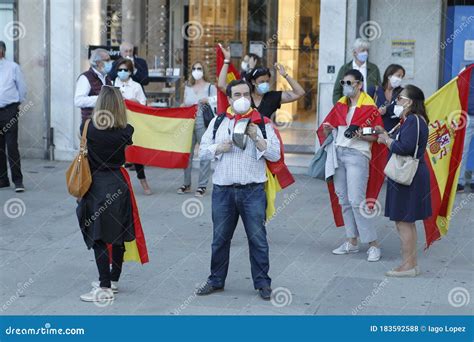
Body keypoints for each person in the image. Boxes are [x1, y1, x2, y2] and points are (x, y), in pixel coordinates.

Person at [196, 79, 281, 300]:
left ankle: (263, 283)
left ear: (251, 97)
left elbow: (275, 155)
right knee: (220, 239)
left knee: (258, 238)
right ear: (230, 98)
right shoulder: (219, 121)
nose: (242, 99)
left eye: (246, 94)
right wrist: (218, 147)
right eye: (237, 95)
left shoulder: (262, 122)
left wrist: (257, 137)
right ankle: (216, 280)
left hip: (252, 191)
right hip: (223, 190)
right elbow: (202, 152)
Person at [77, 86, 143, 302]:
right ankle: (113, 281)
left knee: (99, 237)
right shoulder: (126, 130)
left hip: (96, 185)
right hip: (118, 184)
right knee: (118, 235)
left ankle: (104, 287)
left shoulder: (88, 127)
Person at [321, 69, 384, 262]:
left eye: (349, 83)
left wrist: (361, 135)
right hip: (338, 154)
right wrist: (326, 130)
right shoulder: (341, 105)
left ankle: (373, 244)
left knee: (357, 200)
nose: (345, 87)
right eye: (343, 83)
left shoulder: (369, 107)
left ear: (359, 84)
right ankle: (352, 241)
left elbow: (377, 134)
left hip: (358, 155)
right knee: (344, 200)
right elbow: (327, 133)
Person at [377, 85, 432, 277]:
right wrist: (385, 135)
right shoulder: (410, 120)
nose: (396, 102)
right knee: (406, 221)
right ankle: (411, 264)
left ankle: (407, 266)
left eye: (400, 98)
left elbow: (404, 147)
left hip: (409, 175)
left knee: (403, 221)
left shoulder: (414, 120)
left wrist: (386, 140)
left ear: (410, 102)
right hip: (409, 175)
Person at [218, 45, 305, 120]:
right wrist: (226, 61)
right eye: (261, 81)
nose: (265, 84)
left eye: (267, 81)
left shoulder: (272, 97)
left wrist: (285, 75)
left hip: (265, 137)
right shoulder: (244, 94)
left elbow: (299, 93)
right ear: (253, 82)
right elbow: (221, 85)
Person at [177, 61, 216, 197]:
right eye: (194, 68)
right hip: (188, 121)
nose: (196, 70)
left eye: (199, 68)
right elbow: (184, 102)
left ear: (204, 70)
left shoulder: (210, 87)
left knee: (204, 152)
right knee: (187, 153)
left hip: (203, 120)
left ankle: (202, 185)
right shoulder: (187, 87)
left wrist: (209, 100)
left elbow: (218, 102)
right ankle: (186, 183)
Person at [113, 58, 151, 195]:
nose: (122, 72)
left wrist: (134, 102)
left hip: (133, 124)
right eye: (120, 70)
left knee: (136, 154)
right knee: (117, 155)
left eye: (125, 70)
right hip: (116, 124)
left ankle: (143, 182)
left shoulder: (136, 86)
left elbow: (143, 103)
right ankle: (118, 185)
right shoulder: (112, 84)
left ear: (130, 71)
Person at [0, 40, 26, 193]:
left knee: (12, 146)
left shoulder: (13, 67)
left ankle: (18, 181)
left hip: (9, 110)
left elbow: (22, 88)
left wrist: (16, 104)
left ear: (2, 52)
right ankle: (3, 180)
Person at [332, 38, 381, 104]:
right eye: (363, 50)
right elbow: (337, 91)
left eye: (367, 50)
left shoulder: (374, 68)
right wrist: (339, 108)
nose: (366, 53)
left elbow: (379, 90)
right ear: (354, 53)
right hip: (349, 106)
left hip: (368, 107)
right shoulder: (345, 68)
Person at [74, 48, 113, 124]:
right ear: (98, 62)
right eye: (107, 60)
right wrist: (101, 99)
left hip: (106, 121)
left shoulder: (107, 78)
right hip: (91, 123)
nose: (110, 62)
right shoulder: (85, 77)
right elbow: (78, 101)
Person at [367, 64, 405, 132]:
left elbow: (405, 112)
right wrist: (377, 112)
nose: (400, 79)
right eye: (398, 76)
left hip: (394, 132)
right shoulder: (374, 90)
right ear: (389, 76)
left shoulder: (402, 92)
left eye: (402, 77)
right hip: (375, 133)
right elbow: (365, 111)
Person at [457, 66, 474, 193]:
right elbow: (457, 87)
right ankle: (459, 182)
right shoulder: (466, 69)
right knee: (462, 149)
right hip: (467, 116)